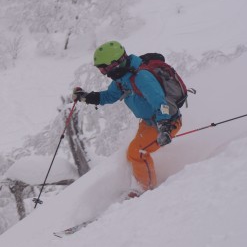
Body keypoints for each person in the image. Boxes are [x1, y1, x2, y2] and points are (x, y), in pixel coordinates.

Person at [72, 41, 182, 196]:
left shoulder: (141, 77)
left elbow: (161, 103)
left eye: (103, 68)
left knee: (137, 152)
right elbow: (110, 96)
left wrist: (164, 126)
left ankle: (147, 191)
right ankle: (144, 184)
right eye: (100, 69)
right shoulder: (122, 78)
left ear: (114, 64)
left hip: (166, 121)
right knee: (133, 152)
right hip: (148, 122)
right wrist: (86, 97)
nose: (103, 73)